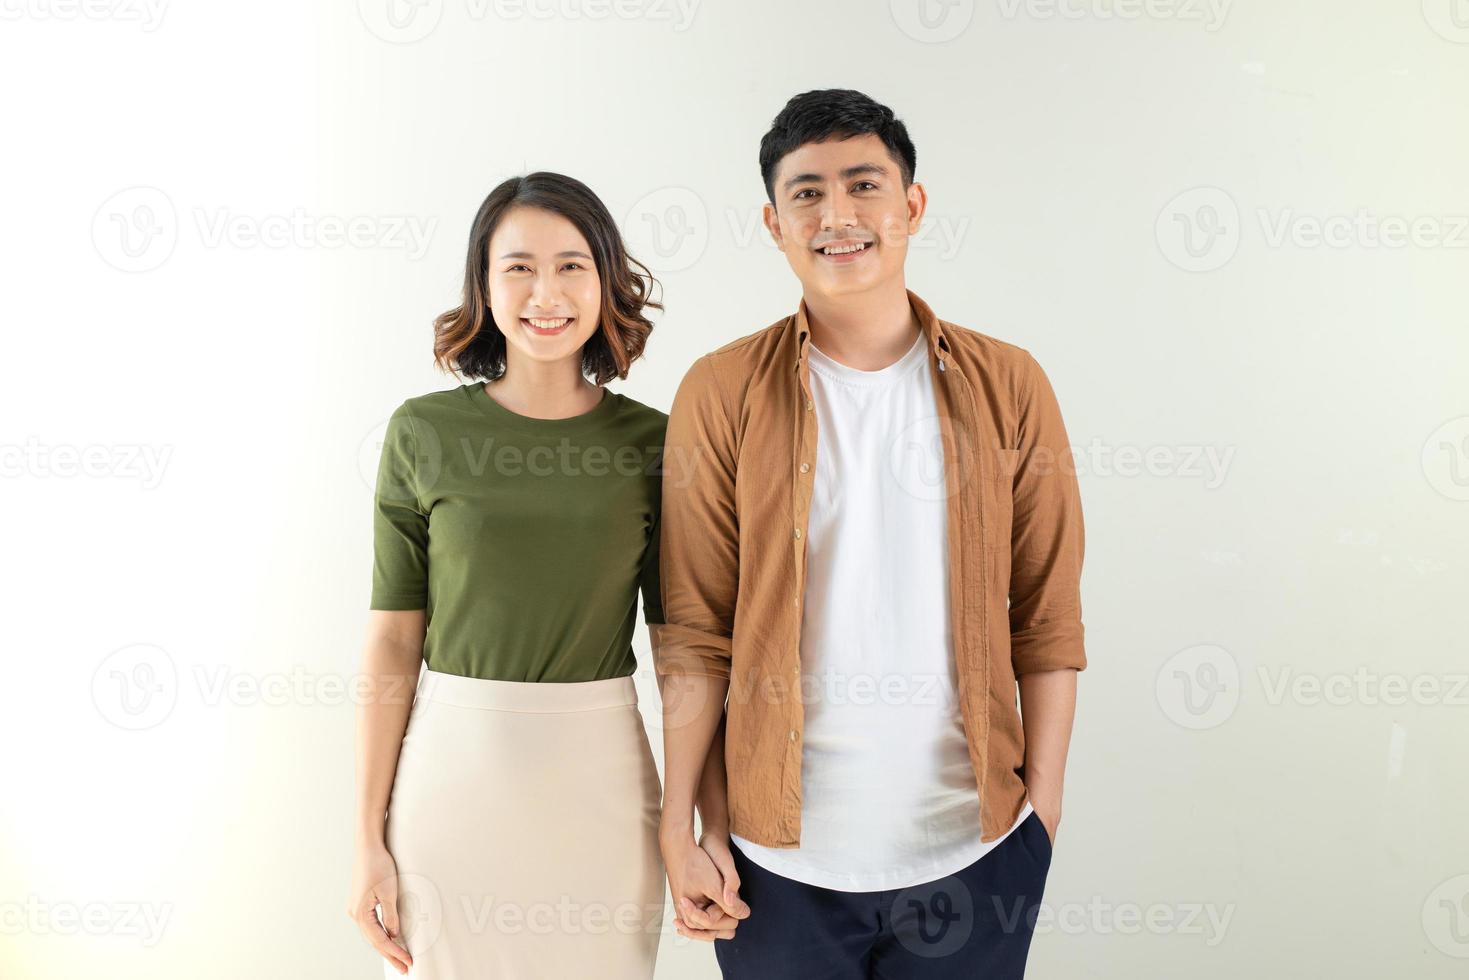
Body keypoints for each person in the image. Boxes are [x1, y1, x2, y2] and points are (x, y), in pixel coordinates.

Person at [655, 89, 1087, 978]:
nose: (838, 214)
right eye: (807, 193)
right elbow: (694, 633)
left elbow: (1046, 614)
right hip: (772, 866)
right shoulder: (720, 390)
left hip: (976, 851)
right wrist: (685, 824)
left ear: (911, 206)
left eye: (863, 184)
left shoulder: (1009, 383)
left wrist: (1039, 814)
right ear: (774, 224)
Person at [347, 171, 688, 978]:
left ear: (606, 283)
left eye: (572, 265)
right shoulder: (423, 431)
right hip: (451, 787)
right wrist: (365, 838)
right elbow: (394, 643)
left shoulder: (654, 443)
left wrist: (689, 823)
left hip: (603, 784)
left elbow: (681, 655)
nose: (546, 292)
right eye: (519, 267)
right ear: (483, 284)